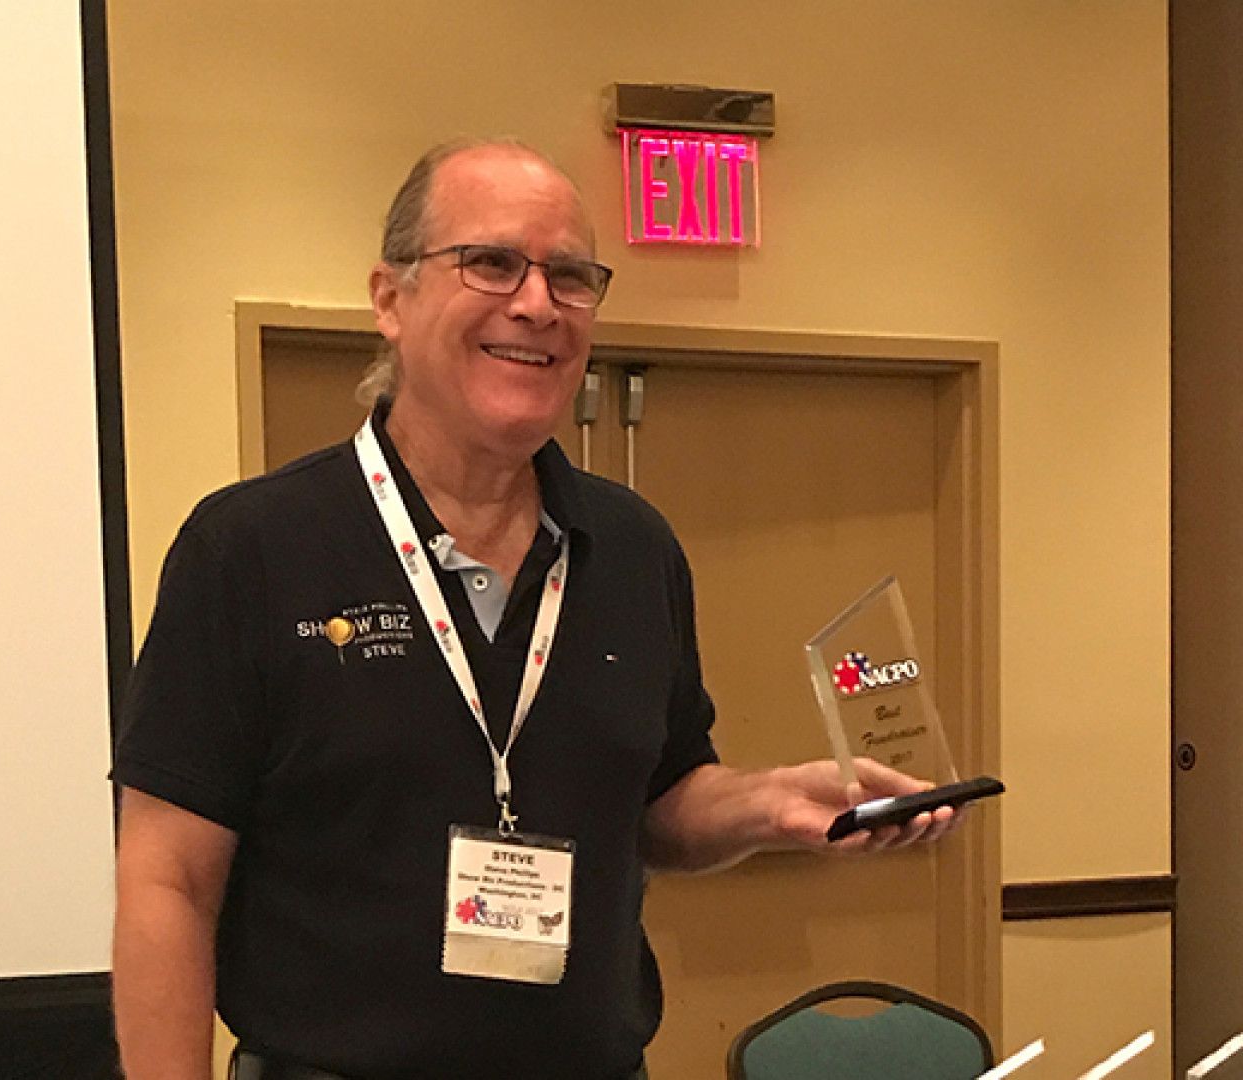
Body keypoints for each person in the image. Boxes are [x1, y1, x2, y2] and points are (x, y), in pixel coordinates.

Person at [110, 137, 957, 1080]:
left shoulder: (634, 549)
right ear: (390, 299)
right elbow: (167, 880)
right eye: (492, 262)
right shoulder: (252, 549)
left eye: (569, 275)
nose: (536, 304)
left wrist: (769, 805)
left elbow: (660, 804)